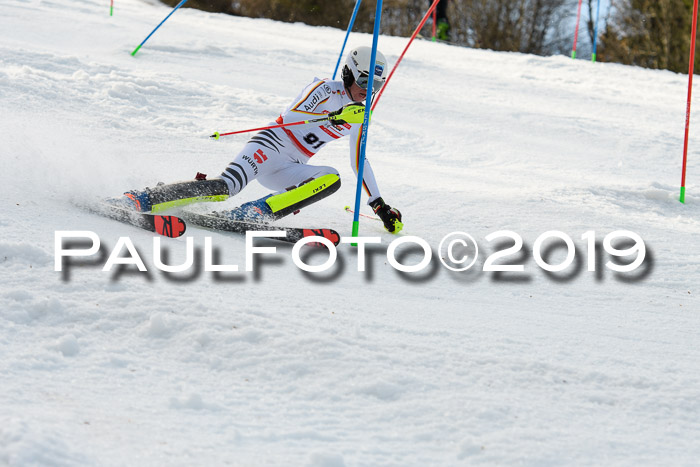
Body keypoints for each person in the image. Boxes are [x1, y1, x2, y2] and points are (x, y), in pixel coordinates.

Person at [112, 46, 403, 234]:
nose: (368, 90)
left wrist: (378, 204)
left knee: (331, 178)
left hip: (291, 165)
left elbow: (358, 159)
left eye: (375, 85)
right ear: (349, 73)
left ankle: (254, 212)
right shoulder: (325, 89)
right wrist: (334, 116)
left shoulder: (361, 115)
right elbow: (290, 117)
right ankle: (142, 198)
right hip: (270, 144)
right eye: (364, 81)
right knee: (224, 187)